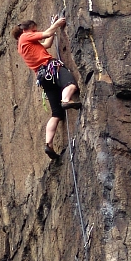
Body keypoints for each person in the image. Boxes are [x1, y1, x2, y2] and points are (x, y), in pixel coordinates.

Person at [12, 15, 81, 162]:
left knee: (56, 113)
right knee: (71, 85)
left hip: (43, 78)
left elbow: (47, 43)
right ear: (29, 29)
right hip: (51, 68)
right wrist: (56, 24)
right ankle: (66, 100)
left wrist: (53, 27)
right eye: (34, 30)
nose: (35, 32)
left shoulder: (24, 45)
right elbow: (47, 33)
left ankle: (48, 144)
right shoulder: (26, 37)